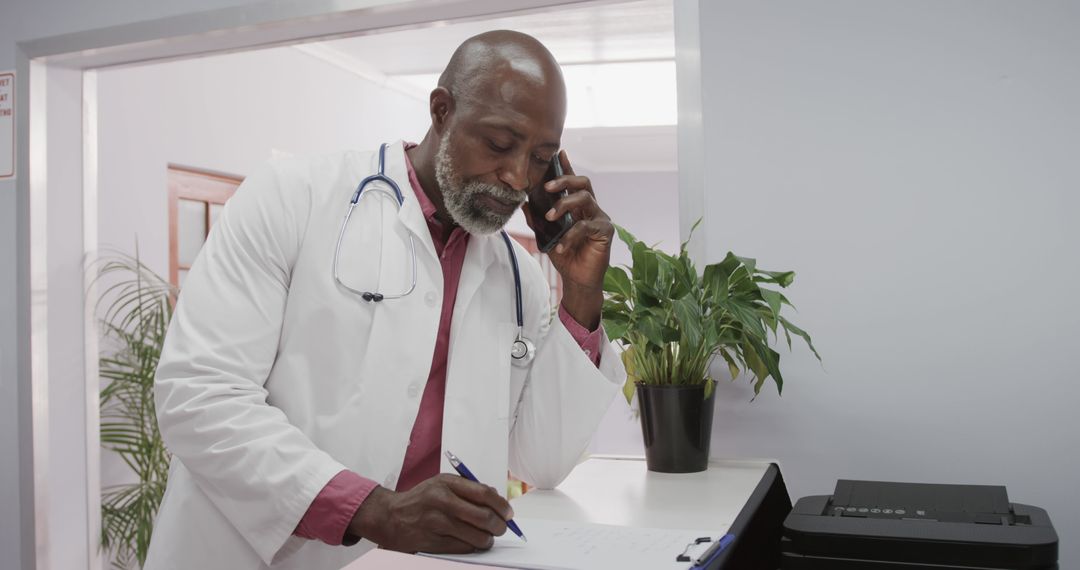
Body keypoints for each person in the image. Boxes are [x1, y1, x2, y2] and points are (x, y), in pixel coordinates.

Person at [143, 30, 626, 570]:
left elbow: (543, 460)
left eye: (539, 159)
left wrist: (581, 292)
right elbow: (200, 396)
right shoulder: (291, 197)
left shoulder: (518, 277)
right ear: (442, 111)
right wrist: (373, 510)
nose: (517, 178)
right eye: (498, 144)